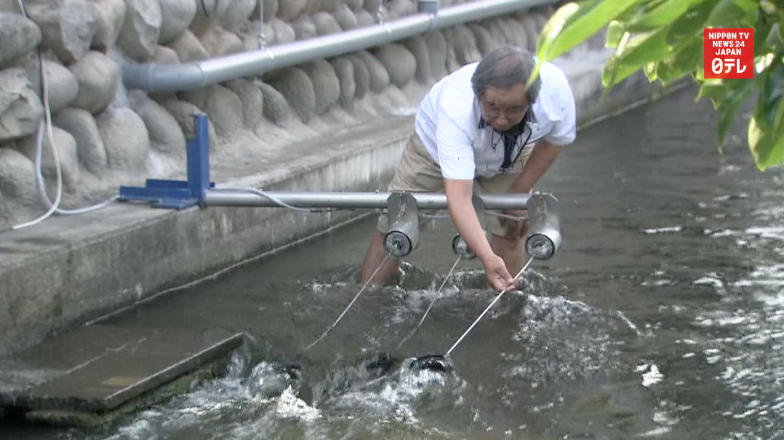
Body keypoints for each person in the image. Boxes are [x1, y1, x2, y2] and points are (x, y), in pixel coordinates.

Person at [360, 46, 576, 292]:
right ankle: (369, 296)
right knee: (396, 223)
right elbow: (459, 197)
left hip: (513, 150)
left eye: (514, 109)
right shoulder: (456, 107)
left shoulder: (555, 94)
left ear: (532, 100)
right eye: (493, 107)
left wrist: (519, 191)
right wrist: (487, 257)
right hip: (433, 150)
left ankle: (503, 310)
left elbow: (554, 141)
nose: (502, 119)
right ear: (478, 94)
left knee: (512, 225)